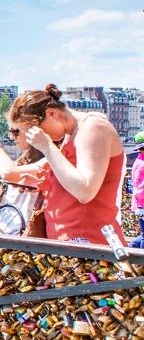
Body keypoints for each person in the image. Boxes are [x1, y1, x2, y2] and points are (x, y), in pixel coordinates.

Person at [12, 84, 127, 245]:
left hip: (91, 248)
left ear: (51, 113)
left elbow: (85, 191)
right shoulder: (69, 136)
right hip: (71, 248)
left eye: (35, 131)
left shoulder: (93, 128)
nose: (34, 140)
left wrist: (47, 146)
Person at [0, 120, 46, 236]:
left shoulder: (46, 164)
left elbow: (8, 172)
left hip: (24, 237)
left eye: (15, 131)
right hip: (4, 230)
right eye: (11, 131)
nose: (11, 137)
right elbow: (10, 206)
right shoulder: (20, 162)